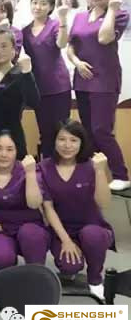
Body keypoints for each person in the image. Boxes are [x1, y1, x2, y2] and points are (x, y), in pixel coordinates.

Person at [67, 0, 130, 191]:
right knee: (87, 132)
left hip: (104, 81)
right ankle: (93, 174)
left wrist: (111, 10)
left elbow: (104, 38)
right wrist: (77, 63)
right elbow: (70, 46)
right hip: (82, 80)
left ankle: (121, 174)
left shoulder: (120, 15)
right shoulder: (80, 17)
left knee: (101, 130)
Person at [39, 120, 114, 299]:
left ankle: (95, 280)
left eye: (73, 140)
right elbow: (48, 208)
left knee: (92, 236)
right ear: (54, 141)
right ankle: (73, 261)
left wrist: (100, 172)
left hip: (92, 226)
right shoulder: (44, 167)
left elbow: (104, 202)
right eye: (62, 139)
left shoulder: (92, 166)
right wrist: (66, 241)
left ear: (82, 143)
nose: (67, 145)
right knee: (70, 266)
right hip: (62, 230)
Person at [0, 131, 49, 271]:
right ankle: (6, 258)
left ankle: (35, 273)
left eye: (9, 149)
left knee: (31, 236)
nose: (4, 154)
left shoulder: (28, 169)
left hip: (29, 226)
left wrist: (30, 174)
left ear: (17, 150)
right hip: (1, 228)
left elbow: (34, 203)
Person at [22, 0, 71, 159]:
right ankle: (48, 168)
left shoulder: (55, 25)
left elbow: (62, 43)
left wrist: (63, 19)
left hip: (58, 87)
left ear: (50, 7)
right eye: (35, 2)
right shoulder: (25, 30)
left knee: (62, 131)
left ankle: (64, 167)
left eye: (43, 4)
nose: (38, 7)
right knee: (45, 133)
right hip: (38, 89)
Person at [0, 29, 40, 159]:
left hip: (12, 138)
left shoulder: (21, 74)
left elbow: (33, 102)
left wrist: (27, 73)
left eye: (4, 46)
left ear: (14, 49)